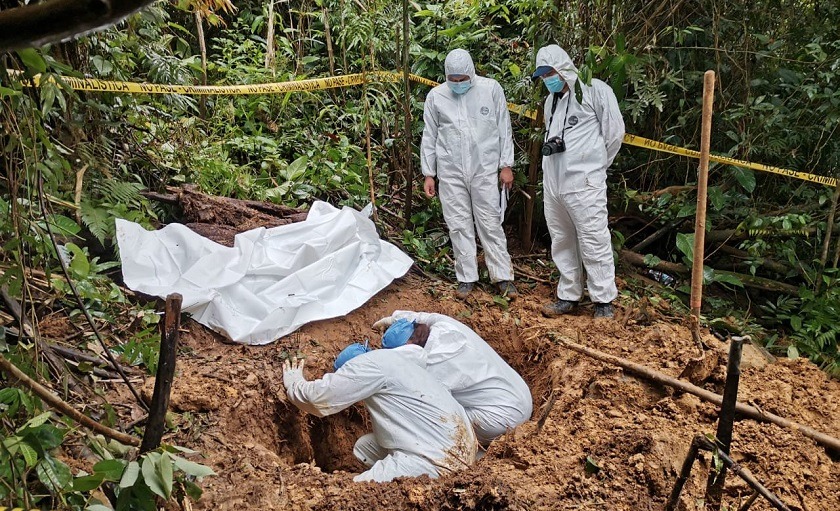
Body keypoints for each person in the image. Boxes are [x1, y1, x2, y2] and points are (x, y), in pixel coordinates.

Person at [282, 342, 477, 483]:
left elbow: (318, 398)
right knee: (364, 448)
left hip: (437, 460)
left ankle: (407, 481)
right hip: (463, 446)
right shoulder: (395, 359)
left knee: (357, 491)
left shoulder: (364, 368)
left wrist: (294, 384)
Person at [531, 44, 625, 319]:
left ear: (563, 67)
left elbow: (614, 133)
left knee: (593, 238)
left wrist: (595, 165)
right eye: (543, 75)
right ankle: (568, 294)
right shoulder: (551, 101)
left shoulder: (594, 90)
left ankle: (603, 300)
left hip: (584, 181)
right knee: (561, 239)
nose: (548, 78)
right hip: (555, 182)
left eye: (551, 72)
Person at [420, 48, 518, 300]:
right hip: (450, 171)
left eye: (463, 79)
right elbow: (429, 136)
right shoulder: (436, 97)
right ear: (446, 77)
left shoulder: (490, 89)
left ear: (472, 74)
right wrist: (429, 173)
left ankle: (503, 278)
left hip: (484, 168)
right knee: (458, 224)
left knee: (489, 222)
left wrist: (506, 165)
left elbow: (503, 127)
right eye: (454, 80)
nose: (458, 84)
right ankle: (466, 277)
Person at [374, 311, 532, 446]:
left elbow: (425, 409)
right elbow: (427, 316)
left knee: (431, 424)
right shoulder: (446, 326)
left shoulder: (434, 366)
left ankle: (471, 459)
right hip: (522, 394)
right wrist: (396, 318)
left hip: (501, 419)